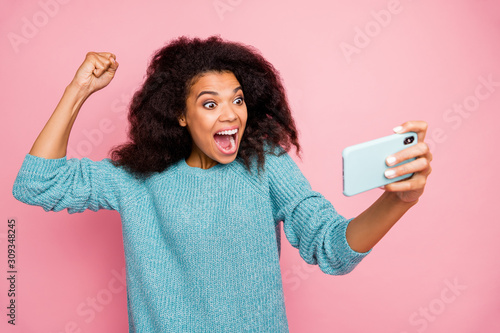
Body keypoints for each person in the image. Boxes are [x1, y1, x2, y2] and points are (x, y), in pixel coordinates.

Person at [12, 35, 432, 332]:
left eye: (237, 99)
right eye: (209, 104)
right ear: (181, 115)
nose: (229, 114)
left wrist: (398, 201)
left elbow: (333, 250)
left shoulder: (266, 166)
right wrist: (79, 88)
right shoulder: (136, 179)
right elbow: (37, 182)